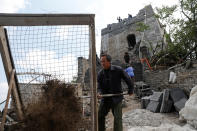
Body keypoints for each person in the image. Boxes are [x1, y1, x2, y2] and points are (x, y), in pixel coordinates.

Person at [97, 54, 134, 131]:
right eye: (101, 62)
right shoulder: (100, 74)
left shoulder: (118, 70)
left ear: (109, 61)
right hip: (105, 99)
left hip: (116, 98)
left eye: (104, 61)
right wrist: (99, 93)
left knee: (117, 119)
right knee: (100, 116)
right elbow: (99, 86)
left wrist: (130, 90)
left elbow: (128, 79)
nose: (102, 63)